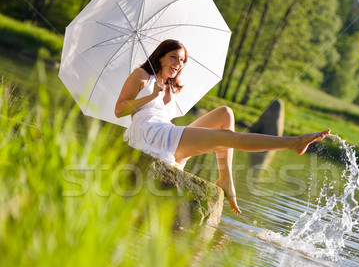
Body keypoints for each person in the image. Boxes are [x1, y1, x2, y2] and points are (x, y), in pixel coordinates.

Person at [115, 39, 330, 215]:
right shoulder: (141, 76)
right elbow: (120, 109)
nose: (178, 64)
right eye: (174, 57)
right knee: (226, 137)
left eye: (182, 60)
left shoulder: (170, 86)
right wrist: (152, 95)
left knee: (225, 113)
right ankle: (292, 142)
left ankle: (225, 178)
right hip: (150, 134)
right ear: (160, 56)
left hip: (166, 133)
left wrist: (163, 92)